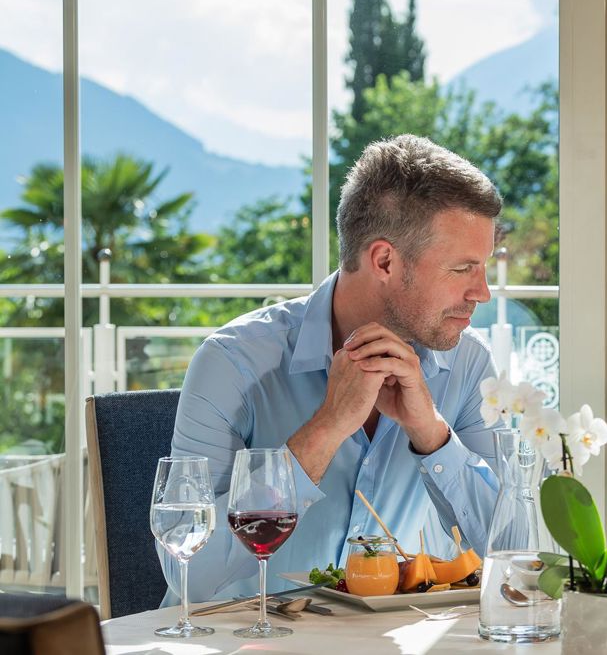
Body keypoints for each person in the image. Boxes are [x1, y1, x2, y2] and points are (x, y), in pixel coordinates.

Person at [160, 134, 503, 603]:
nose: (481, 292)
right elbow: (188, 573)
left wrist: (432, 434)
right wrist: (325, 429)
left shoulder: (467, 365)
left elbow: (514, 552)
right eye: (463, 269)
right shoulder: (234, 362)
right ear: (384, 260)